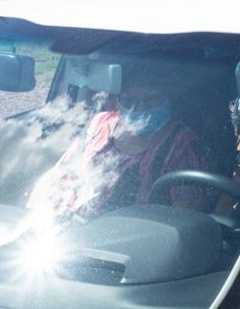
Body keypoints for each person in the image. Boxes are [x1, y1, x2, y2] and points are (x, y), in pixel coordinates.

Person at [28, 64, 206, 217]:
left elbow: (184, 215)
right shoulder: (100, 123)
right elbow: (61, 172)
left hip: (135, 235)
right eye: (129, 100)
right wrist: (38, 209)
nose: (140, 107)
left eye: (151, 99)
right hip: (75, 229)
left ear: (168, 99)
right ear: (117, 101)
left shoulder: (183, 142)